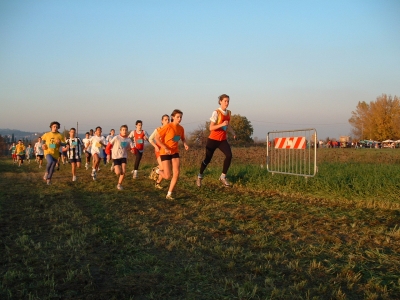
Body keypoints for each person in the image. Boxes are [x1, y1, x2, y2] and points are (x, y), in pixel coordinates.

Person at [197, 94, 236, 187]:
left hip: (222, 140)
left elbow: (228, 125)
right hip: (213, 140)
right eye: (225, 101)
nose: (227, 103)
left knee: (229, 155)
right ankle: (200, 176)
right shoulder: (216, 112)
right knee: (207, 159)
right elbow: (211, 127)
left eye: (228, 101)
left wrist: (233, 132)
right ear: (220, 102)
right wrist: (222, 124)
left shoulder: (229, 113)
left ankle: (223, 176)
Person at [155, 109, 189, 200]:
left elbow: (182, 138)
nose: (179, 119)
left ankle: (169, 194)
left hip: (175, 151)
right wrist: (165, 147)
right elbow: (156, 138)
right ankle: (158, 171)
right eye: (178, 117)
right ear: (173, 117)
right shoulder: (168, 126)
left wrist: (185, 144)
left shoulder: (181, 128)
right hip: (165, 152)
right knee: (167, 176)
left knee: (177, 173)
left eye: (181, 117)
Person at [105, 125, 135, 190]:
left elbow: (132, 148)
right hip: (116, 156)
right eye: (123, 130)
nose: (124, 131)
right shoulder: (116, 138)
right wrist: (108, 154)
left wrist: (132, 150)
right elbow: (108, 146)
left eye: (126, 130)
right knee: (118, 172)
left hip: (123, 156)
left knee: (123, 171)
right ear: (120, 131)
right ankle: (115, 167)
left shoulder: (128, 139)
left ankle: (119, 184)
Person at [148, 114, 170, 184]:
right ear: (162, 121)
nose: (167, 121)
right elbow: (150, 139)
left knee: (164, 168)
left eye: (168, 120)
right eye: (165, 120)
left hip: (166, 150)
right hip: (159, 150)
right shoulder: (158, 129)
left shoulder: (169, 130)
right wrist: (155, 146)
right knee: (162, 167)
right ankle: (156, 171)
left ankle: (157, 182)